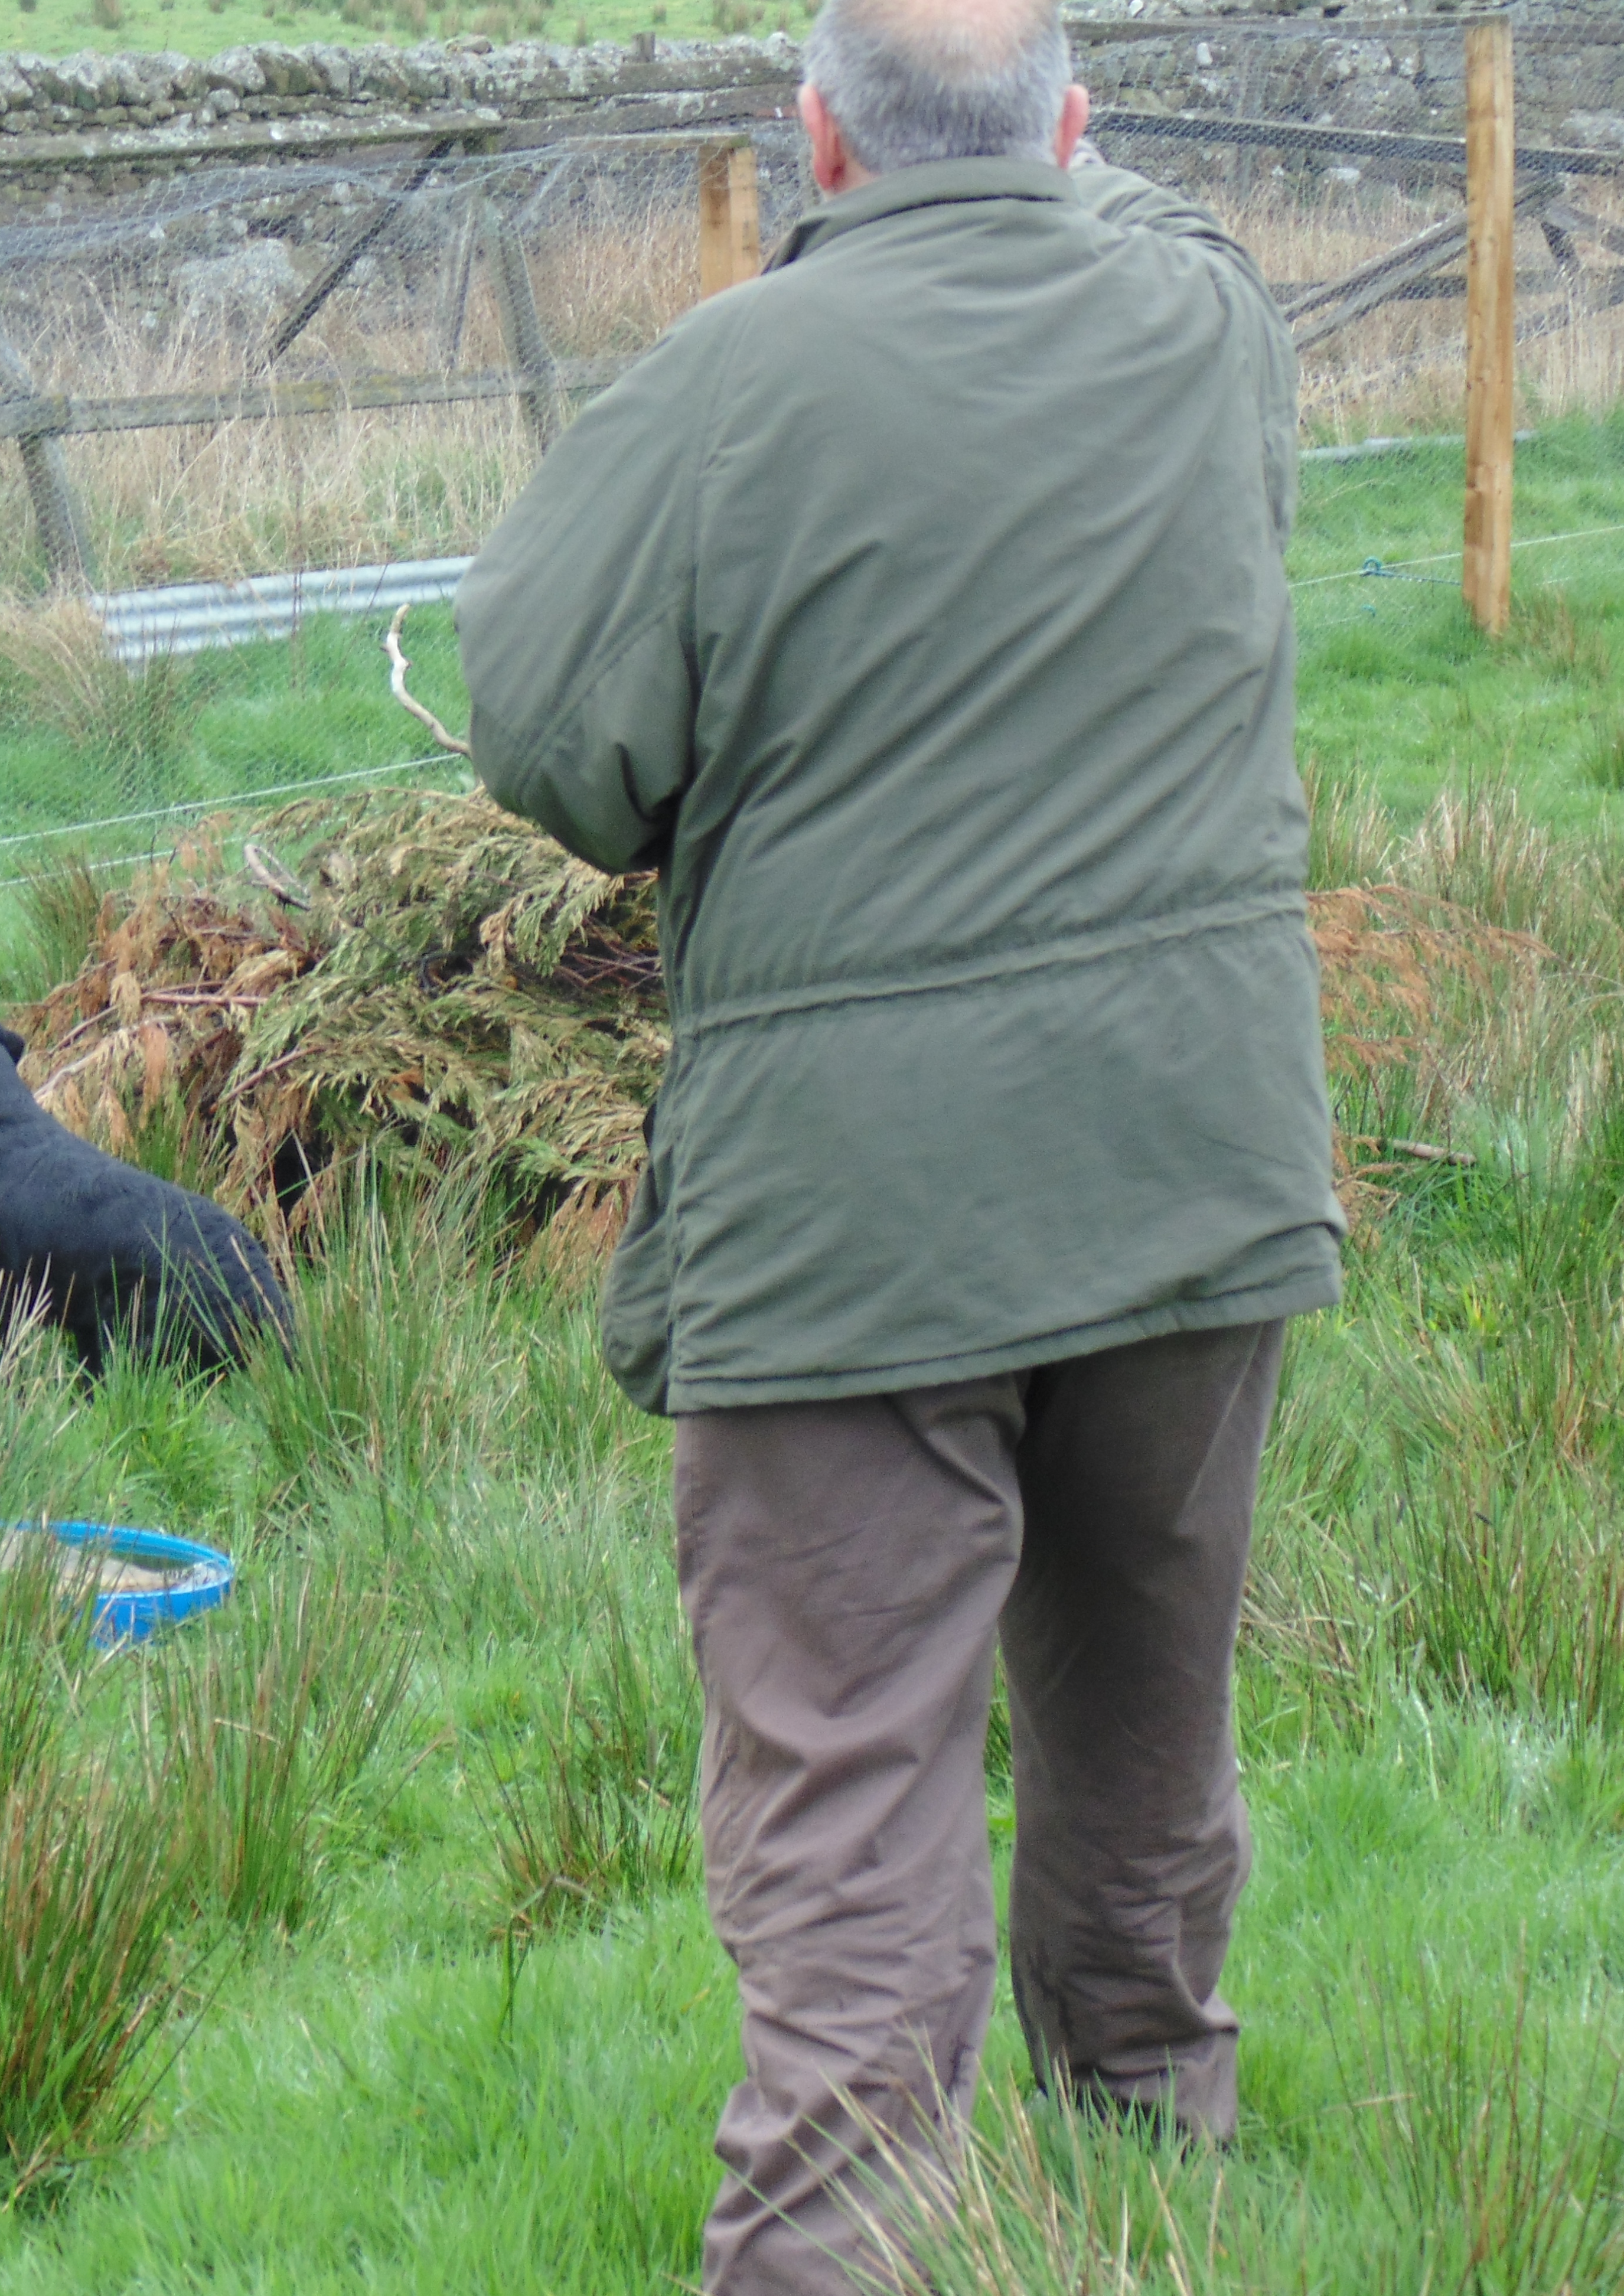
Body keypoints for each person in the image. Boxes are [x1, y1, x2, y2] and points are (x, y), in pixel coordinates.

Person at [454, 0, 1346, 2288]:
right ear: (1068, 124)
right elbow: (1099, 196)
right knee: (1149, 1716)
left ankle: (840, 2249)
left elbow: (547, 734)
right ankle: (1152, 2176)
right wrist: (1020, 155)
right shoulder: (1203, 326)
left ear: (813, 139)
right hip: (1190, 1162)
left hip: (852, 1221)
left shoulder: (724, 393)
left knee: (852, 1777)